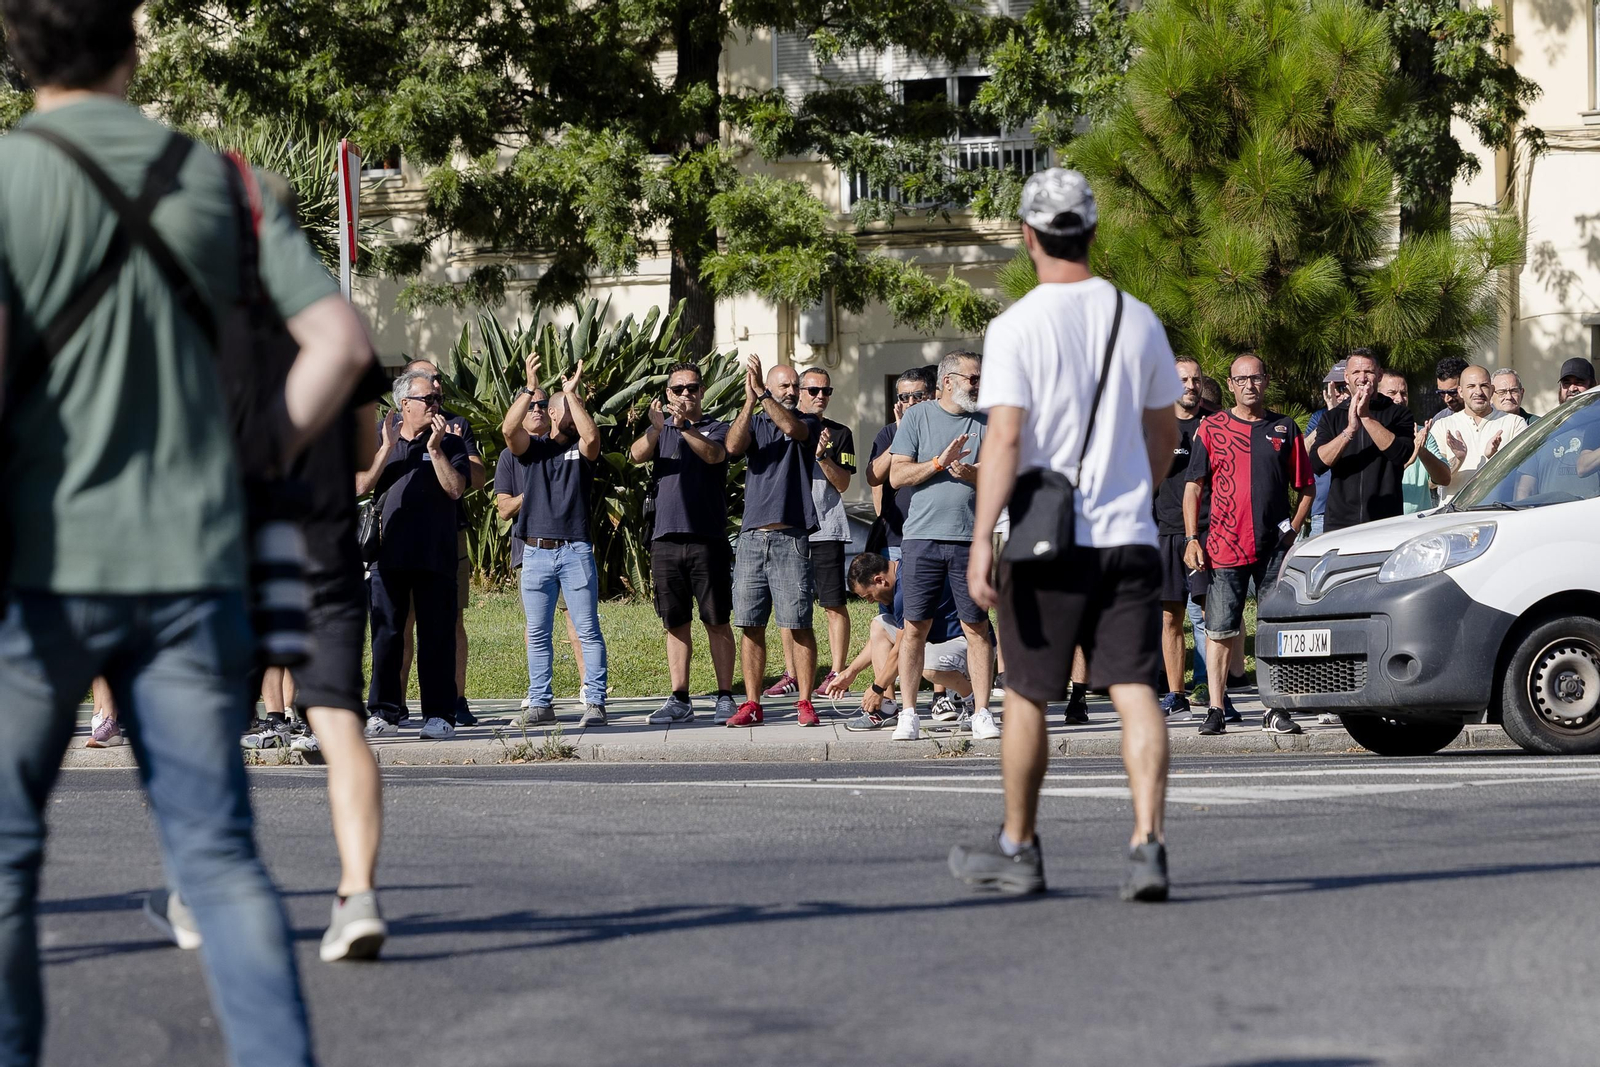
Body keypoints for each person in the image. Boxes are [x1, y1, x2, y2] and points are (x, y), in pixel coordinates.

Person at [0, 0, 372, 1057]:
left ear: (15, 51)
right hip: (196, 563)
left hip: (42, 562)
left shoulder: (7, 181)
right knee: (218, 854)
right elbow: (338, 342)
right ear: (132, 44)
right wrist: (261, 454)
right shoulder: (229, 183)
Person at [949, 167, 1182, 900]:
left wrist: (983, 535)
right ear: (1091, 230)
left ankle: (1018, 846)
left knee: (1026, 693)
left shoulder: (1016, 326)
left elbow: (1006, 440)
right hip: (1128, 537)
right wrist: (1133, 492)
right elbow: (1165, 430)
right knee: (1136, 688)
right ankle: (1147, 845)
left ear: (1027, 236)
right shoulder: (1138, 318)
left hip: (1047, 542)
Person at [1182, 354, 1314, 737]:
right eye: (1241, 380)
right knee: (1219, 629)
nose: (1249, 385)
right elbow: (1193, 487)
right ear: (1229, 384)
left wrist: (1292, 531)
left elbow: (1306, 487)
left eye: (1255, 378)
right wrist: (1193, 538)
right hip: (1223, 546)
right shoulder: (1212, 428)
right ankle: (1216, 707)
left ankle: (1275, 707)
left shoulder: (1284, 428)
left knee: (1274, 628)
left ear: (1266, 381)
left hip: (1272, 549)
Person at [889, 350, 1000, 742]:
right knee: (914, 627)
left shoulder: (988, 420)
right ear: (949, 380)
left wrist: (973, 475)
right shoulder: (918, 417)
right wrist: (938, 463)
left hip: (971, 539)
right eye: (973, 378)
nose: (978, 385)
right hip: (921, 539)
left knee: (976, 627)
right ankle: (908, 714)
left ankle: (983, 711)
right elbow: (897, 475)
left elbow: (1004, 476)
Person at [361, 370, 470, 739]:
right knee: (387, 635)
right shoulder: (380, 436)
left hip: (436, 556)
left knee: (437, 636)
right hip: (387, 555)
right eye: (429, 400)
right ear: (404, 404)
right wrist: (386, 449)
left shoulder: (450, 442)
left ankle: (439, 715)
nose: (436, 405)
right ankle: (384, 711)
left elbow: (456, 490)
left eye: (437, 400)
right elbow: (361, 484)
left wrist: (436, 449)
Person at [501, 354, 610, 726]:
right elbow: (506, 429)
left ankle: (595, 702)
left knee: (587, 629)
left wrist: (570, 394)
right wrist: (531, 387)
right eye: (537, 406)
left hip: (575, 550)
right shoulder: (530, 451)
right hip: (534, 552)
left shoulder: (580, 450)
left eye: (547, 406)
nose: (541, 410)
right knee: (537, 634)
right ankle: (540, 703)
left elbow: (591, 436)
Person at [628, 361, 738, 724]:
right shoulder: (661, 431)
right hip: (665, 539)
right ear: (667, 394)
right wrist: (657, 431)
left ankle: (725, 695)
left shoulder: (716, 428)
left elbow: (714, 455)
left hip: (707, 539)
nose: (685, 394)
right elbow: (635, 455)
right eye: (678, 390)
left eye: (692, 388)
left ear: (702, 392)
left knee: (716, 619)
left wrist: (685, 428)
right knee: (675, 622)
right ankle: (680, 698)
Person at [725, 355, 823, 727]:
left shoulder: (807, 420)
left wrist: (765, 394)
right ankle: (751, 703)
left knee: (798, 621)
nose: (792, 391)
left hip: (791, 538)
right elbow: (734, 447)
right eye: (785, 385)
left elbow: (794, 431)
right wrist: (750, 400)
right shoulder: (758, 419)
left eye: (795, 386)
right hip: (751, 538)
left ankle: (804, 701)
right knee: (750, 623)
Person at [387, 356, 484, 727]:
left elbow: (472, 479)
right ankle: (393, 705)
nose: (436, 388)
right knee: (399, 625)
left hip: (445, 539)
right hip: (398, 544)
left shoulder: (456, 427)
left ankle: (453, 702)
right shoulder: (391, 430)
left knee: (445, 623)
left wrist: (444, 447)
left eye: (438, 381)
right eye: (427, 382)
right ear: (407, 396)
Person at [494, 397, 587, 711]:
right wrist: (534, 489)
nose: (535, 409)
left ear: (553, 413)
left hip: (570, 546)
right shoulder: (512, 456)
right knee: (536, 627)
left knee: (578, 621)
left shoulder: (567, 447)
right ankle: (539, 694)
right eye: (529, 405)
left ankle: (588, 687)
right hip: (530, 550)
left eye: (541, 404)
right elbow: (504, 509)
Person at [823, 553, 981, 732]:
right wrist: (851, 672)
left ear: (880, 580)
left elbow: (903, 648)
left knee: (928, 667)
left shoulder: (906, 589)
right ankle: (887, 710)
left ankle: (973, 701)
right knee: (879, 625)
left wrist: (877, 688)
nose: (870, 601)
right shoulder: (890, 588)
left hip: (960, 641)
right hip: (929, 639)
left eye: (868, 596)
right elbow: (887, 640)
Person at [789, 367, 855, 690]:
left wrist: (822, 457)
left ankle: (837, 672)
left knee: (832, 602)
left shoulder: (840, 433)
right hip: (790, 528)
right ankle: (791, 675)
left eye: (826, 391)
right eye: (813, 390)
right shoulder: (785, 426)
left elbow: (842, 484)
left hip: (826, 528)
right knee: (790, 606)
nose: (820, 397)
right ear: (799, 391)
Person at [1153, 356, 1208, 720]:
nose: (1190, 385)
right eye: (1182, 380)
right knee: (1170, 618)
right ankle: (1177, 693)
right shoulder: (1154, 426)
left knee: (1213, 614)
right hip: (1165, 531)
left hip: (1208, 531)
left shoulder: (1214, 425)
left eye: (1195, 379)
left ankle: (1212, 687)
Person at [1309, 348, 1416, 531]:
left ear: (1379, 375)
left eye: (1369, 372)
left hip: (1385, 522)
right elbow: (1317, 464)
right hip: (1339, 523)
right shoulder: (1332, 417)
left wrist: (1366, 417)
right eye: (1356, 372)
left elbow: (1401, 455)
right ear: (1347, 376)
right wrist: (1349, 430)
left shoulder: (1398, 414)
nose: (1362, 378)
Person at [1427, 364, 1527, 504]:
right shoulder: (1442, 426)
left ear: (1492, 390)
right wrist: (1458, 459)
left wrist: (1495, 457)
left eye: (1484, 386)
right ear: (1461, 392)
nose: (1478, 392)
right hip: (1453, 516)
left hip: (1500, 513)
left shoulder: (1515, 423)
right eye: (1471, 386)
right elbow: (1431, 483)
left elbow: (1524, 475)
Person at [868, 369, 932, 564]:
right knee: (897, 595)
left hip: (933, 534)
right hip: (896, 539)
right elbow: (873, 477)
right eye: (904, 397)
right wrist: (901, 433)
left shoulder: (940, 430)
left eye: (917, 396)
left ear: (930, 396)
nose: (911, 402)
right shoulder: (889, 433)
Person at [1514, 358, 1600, 501]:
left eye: (1579, 382)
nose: (1572, 388)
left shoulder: (1597, 425)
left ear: (1593, 385)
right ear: (1560, 389)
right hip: (1549, 517)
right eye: (1566, 383)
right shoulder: (1543, 431)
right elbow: (1525, 488)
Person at [1377, 372, 1437, 515]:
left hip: (1418, 524)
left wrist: (1422, 451)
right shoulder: (1367, 434)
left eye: (1403, 393)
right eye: (1392, 393)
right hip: (1380, 523)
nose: (1399, 398)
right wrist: (1406, 463)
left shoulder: (1422, 433)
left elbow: (1443, 479)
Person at [1301, 361, 1348, 537]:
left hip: (1353, 509)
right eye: (1331, 387)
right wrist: (1329, 415)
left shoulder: (1364, 416)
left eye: (1341, 387)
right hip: (1322, 510)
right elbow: (1303, 452)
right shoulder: (1319, 416)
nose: (1336, 392)